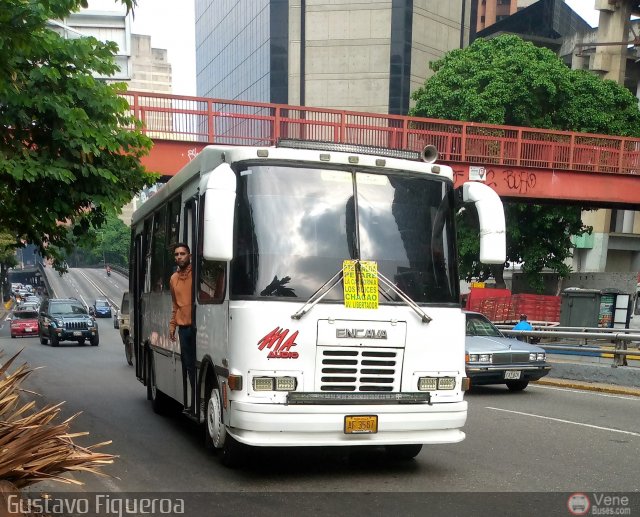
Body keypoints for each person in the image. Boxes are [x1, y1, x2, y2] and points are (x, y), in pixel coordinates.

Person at [169, 243, 196, 416]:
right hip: (184, 329)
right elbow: (175, 304)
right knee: (188, 366)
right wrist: (172, 325)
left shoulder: (198, 274)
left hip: (200, 328)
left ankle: (198, 402)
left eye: (182, 254)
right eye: (177, 254)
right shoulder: (173, 279)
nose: (179, 257)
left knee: (198, 365)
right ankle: (193, 403)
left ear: (189, 255)